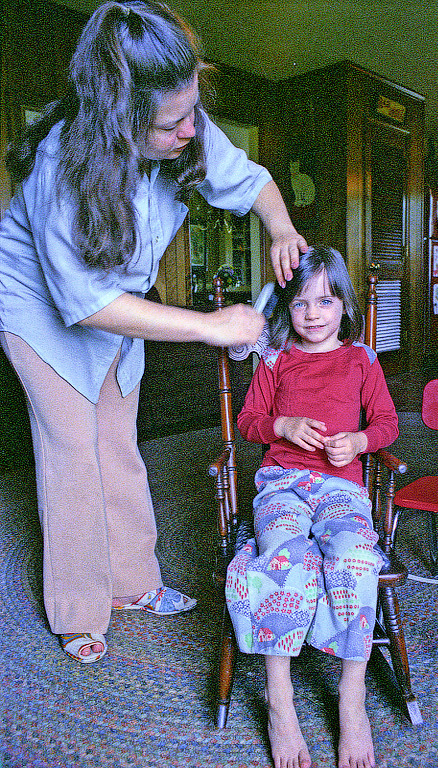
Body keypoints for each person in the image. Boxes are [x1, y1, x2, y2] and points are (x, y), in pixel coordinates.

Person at [0, 0, 307, 664]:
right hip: (40, 311)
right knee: (73, 457)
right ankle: (78, 611)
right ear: (120, 120)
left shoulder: (181, 121)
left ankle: (135, 585)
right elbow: (83, 304)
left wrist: (280, 227)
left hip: (116, 301)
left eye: (193, 109)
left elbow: (250, 182)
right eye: (173, 123)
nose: (192, 130)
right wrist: (208, 325)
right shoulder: (62, 166)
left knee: (118, 441)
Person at [226, 246, 399, 768]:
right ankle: (281, 701)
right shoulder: (275, 360)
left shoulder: (361, 360)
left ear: (344, 304)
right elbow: (248, 421)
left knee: (353, 559)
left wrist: (362, 442)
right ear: (287, 309)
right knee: (286, 559)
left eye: (325, 301)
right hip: (281, 484)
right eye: (301, 303)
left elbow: (388, 423)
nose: (314, 314)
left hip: (342, 490)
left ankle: (352, 698)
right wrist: (282, 426)